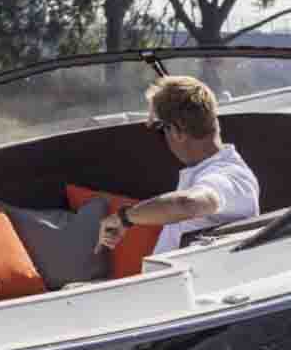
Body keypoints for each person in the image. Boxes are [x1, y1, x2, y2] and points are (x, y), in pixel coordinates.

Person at [96, 74, 260, 258]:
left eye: (160, 129)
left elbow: (189, 203)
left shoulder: (228, 176)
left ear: (176, 130)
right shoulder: (210, 171)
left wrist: (125, 217)